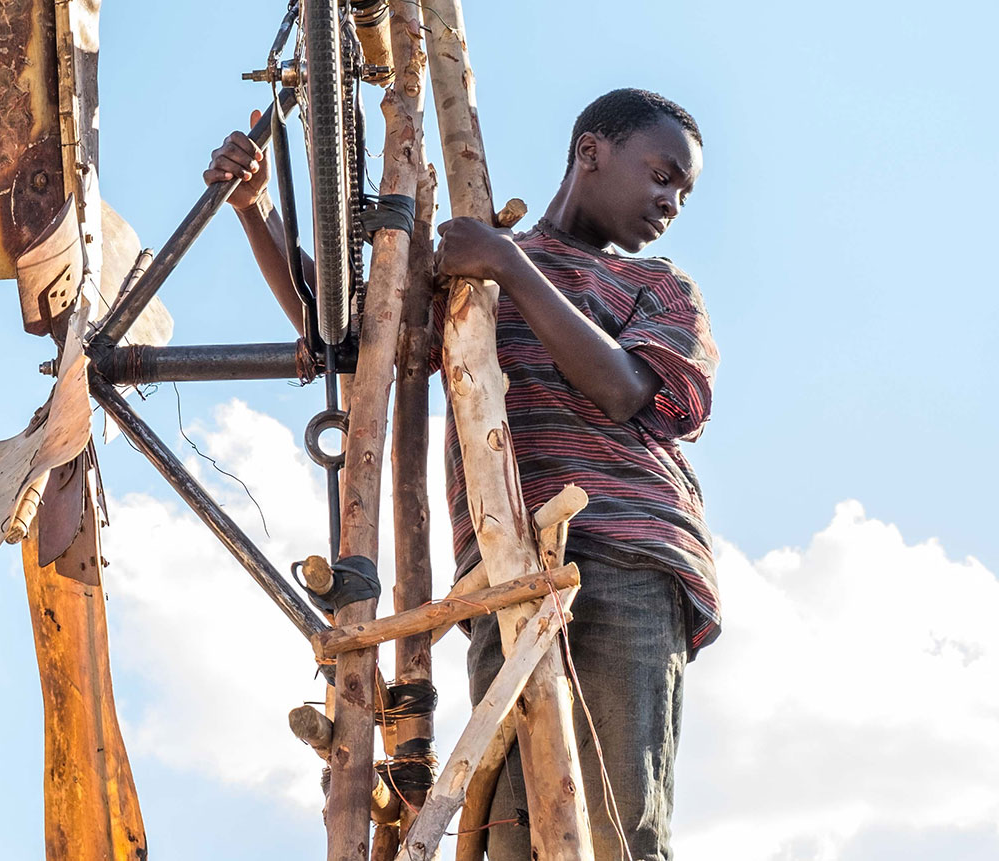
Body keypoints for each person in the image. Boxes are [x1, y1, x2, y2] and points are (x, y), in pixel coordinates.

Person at [205, 88, 718, 861]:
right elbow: (353, 330)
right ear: (591, 152)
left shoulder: (658, 286)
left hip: (624, 554)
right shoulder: (465, 274)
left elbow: (622, 391)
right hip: (499, 573)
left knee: (616, 827)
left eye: (683, 189)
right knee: (513, 834)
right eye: (662, 174)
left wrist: (507, 262)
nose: (671, 201)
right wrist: (255, 211)